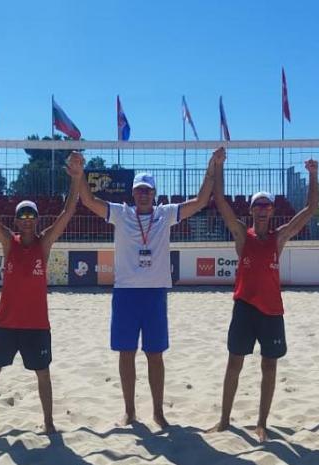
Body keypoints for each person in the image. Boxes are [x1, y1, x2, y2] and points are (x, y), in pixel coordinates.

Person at [72, 148, 222, 428]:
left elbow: (201, 201)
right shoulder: (120, 214)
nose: (143, 194)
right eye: (139, 190)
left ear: (154, 193)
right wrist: (80, 174)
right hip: (126, 293)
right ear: (133, 193)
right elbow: (89, 200)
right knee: (126, 353)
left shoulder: (166, 214)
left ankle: (158, 412)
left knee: (155, 355)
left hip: (155, 293)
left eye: (148, 190)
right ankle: (129, 411)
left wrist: (211, 166)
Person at [209, 149, 318, 441]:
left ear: (271, 211)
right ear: (251, 211)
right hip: (244, 307)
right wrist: (218, 166)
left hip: (271, 311)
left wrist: (313, 174)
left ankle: (261, 423)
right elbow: (220, 201)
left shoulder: (278, 237)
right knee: (234, 363)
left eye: (266, 205)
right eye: (257, 205)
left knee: (269, 366)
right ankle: (224, 420)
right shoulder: (242, 235)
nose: (261, 209)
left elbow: (310, 209)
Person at [0, 153, 83, 436]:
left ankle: (48, 422)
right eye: (22, 215)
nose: (26, 220)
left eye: (31, 215)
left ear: (36, 220)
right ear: (16, 220)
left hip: (36, 325)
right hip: (5, 323)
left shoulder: (43, 243)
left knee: (43, 374)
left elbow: (67, 213)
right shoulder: (8, 242)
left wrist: (76, 179)